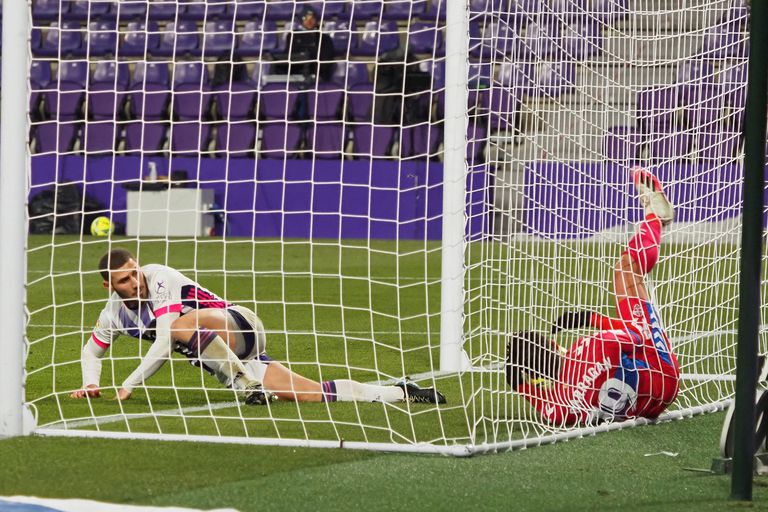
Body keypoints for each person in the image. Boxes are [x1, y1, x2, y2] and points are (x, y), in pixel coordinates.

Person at [71, 249, 445, 405]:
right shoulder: (113, 315)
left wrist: (130, 383)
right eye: (124, 281)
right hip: (229, 354)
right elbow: (92, 350)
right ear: (110, 286)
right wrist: (91, 382)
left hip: (241, 324)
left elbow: (169, 335)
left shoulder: (160, 277)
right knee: (312, 395)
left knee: (179, 326)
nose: (135, 283)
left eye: (135, 273)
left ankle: (245, 384)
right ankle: (400, 391)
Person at [506, 167, 680, 426]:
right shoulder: (587, 348)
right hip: (666, 376)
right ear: (553, 345)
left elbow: (543, 406)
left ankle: (655, 217)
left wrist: (519, 385)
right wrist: (593, 318)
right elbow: (639, 335)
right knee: (626, 270)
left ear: (535, 378)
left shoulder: (558, 407)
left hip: (650, 406)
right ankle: (655, 217)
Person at [271, 5, 336, 84]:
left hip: (317, 78)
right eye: (306, 18)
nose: (309, 21)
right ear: (301, 19)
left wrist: (314, 73)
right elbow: (289, 56)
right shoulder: (293, 36)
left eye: (312, 18)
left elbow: (326, 62)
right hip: (295, 76)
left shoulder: (325, 39)